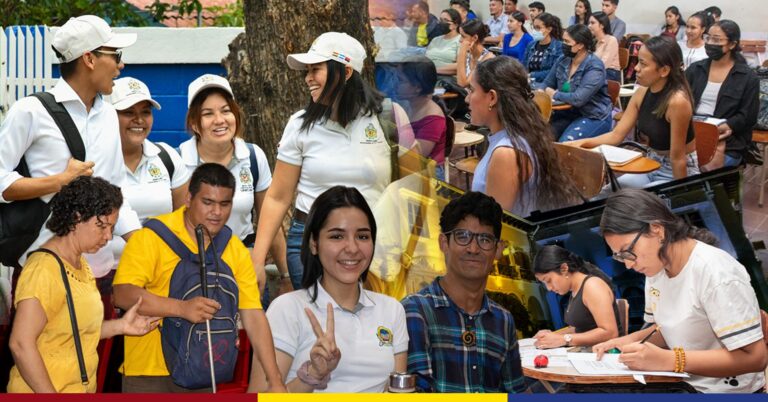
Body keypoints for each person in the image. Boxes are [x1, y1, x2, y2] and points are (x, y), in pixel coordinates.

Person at [252, 32, 412, 292]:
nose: (308, 78)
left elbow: (411, 190)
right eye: (307, 71)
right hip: (310, 244)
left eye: (316, 69)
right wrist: (257, 260)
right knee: (318, 327)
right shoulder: (299, 125)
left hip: (374, 245)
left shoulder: (390, 117)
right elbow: (278, 197)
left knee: (368, 328)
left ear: (346, 72)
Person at [112, 163, 286, 392]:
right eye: (208, 202)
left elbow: (253, 314)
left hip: (205, 369)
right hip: (150, 372)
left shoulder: (233, 248)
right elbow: (122, 294)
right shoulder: (150, 237)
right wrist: (182, 308)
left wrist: (274, 380)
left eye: (225, 204)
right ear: (188, 199)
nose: (217, 212)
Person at [0, 15, 141, 273]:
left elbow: (117, 190)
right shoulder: (31, 111)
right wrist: (60, 181)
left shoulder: (109, 115)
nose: (121, 65)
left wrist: (141, 242)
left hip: (99, 270)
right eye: (116, 55)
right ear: (89, 59)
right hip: (44, 270)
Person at [594, 189, 767, 393]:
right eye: (620, 257)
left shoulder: (715, 272)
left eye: (627, 252)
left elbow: (756, 357)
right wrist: (626, 341)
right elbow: (666, 328)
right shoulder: (655, 271)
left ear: (657, 229)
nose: (628, 265)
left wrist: (672, 359)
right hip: (684, 382)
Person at [7, 176, 158, 392]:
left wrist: (121, 326)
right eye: (101, 226)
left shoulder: (80, 264)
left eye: (111, 228)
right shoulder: (44, 269)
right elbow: (21, 344)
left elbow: (73, 330)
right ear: (76, 218)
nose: (108, 236)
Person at [254, 186, 407, 392]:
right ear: (314, 244)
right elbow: (258, 395)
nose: (352, 248)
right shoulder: (287, 309)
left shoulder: (392, 310)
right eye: (337, 236)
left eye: (362, 236)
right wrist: (312, 376)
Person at [402, 191, 526, 393]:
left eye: (485, 239)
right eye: (463, 237)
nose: (473, 248)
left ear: (497, 250)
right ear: (444, 243)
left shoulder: (503, 321)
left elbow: (514, 391)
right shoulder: (415, 311)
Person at [177, 74, 289, 296]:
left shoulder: (253, 156)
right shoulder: (179, 161)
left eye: (226, 110)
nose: (220, 120)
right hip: (194, 271)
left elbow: (270, 218)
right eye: (207, 114)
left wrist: (285, 276)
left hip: (245, 267)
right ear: (193, 123)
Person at [571, 36, 699, 188]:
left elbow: (678, 159)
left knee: (633, 203)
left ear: (664, 70)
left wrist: (683, 194)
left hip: (676, 171)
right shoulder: (641, 92)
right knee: (606, 195)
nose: (636, 68)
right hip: (652, 162)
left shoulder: (677, 102)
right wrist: (579, 143)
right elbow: (616, 135)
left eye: (643, 64)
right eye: (638, 61)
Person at [466, 57, 581, 215]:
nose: (467, 99)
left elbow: (496, 227)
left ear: (492, 97)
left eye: (472, 90)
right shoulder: (521, 133)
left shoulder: (506, 154)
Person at [107, 77, 190, 279]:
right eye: (128, 112)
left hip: (160, 274)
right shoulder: (94, 162)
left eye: (145, 112)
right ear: (107, 115)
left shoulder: (167, 156)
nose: (139, 120)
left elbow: (185, 222)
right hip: (105, 275)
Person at [686, 20, 760, 168]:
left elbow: (747, 116)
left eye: (717, 40)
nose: (710, 43)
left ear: (732, 44)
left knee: (698, 167)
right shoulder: (696, 69)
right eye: (708, 38)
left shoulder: (747, 77)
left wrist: (726, 126)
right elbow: (679, 97)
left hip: (727, 139)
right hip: (691, 133)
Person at [531, 245, 622, 349]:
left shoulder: (592, 286)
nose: (549, 288)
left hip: (606, 356)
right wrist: (553, 335)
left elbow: (610, 333)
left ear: (564, 269)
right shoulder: (574, 290)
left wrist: (564, 339)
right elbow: (580, 328)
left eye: (548, 280)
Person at [539, 24, 612, 142]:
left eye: (567, 41)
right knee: (539, 138)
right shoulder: (563, 59)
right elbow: (547, 83)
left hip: (592, 116)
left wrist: (554, 94)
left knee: (566, 143)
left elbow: (578, 99)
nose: (563, 44)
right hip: (566, 113)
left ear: (580, 45)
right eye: (563, 40)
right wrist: (540, 92)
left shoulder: (594, 67)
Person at [395, 57, 449, 181]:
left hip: (428, 176)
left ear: (417, 87)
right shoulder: (407, 106)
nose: (395, 84)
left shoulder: (433, 119)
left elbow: (415, 158)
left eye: (401, 80)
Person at [523, 13, 564, 83]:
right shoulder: (531, 45)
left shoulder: (559, 46)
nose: (534, 30)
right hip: (529, 82)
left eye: (538, 28)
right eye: (533, 27)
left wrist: (531, 75)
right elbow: (524, 65)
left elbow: (554, 71)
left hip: (547, 84)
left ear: (549, 29)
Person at [456, 19, 495, 88]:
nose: (460, 40)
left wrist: (462, 51)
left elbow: (462, 83)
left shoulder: (488, 58)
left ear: (475, 38)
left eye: (463, 36)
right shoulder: (469, 54)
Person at [426, 8, 462, 76]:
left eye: (445, 20)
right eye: (441, 20)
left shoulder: (460, 40)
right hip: (427, 75)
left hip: (445, 78)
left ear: (455, 25)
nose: (441, 23)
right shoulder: (435, 40)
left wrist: (435, 70)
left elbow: (460, 66)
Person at [589, 12, 621, 82]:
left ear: (602, 25)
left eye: (592, 23)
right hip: (596, 71)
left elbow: (604, 64)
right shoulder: (594, 41)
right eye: (589, 23)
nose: (589, 26)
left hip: (610, 73)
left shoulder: (611, 40)